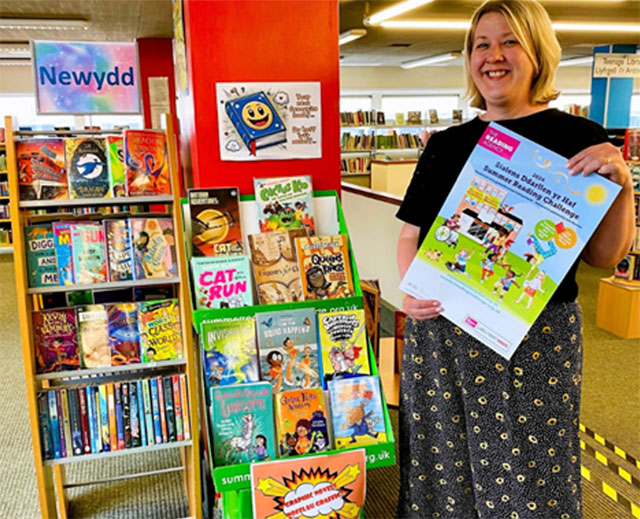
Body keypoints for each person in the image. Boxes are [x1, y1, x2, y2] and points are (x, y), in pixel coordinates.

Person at [395, 1, 635, 518]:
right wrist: (410, 287)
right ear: (469, 57)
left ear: (537, 52)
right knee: (447, 465)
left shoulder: (580, 139)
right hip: (446, 330)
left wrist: (623, 185)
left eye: (510, 42)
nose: (494, 56)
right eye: (481, 44)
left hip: (537, 335)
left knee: (531, 472)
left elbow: (603, 257)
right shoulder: (446, 144)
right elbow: (412, 235)